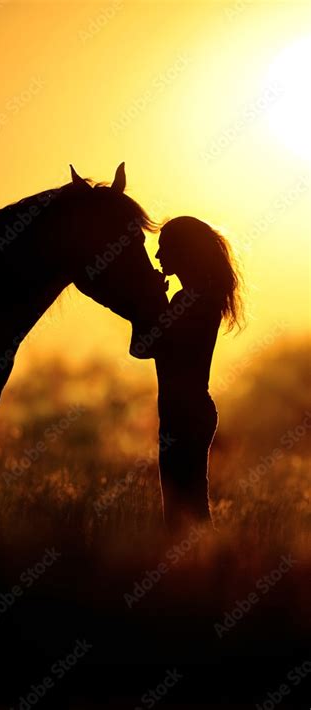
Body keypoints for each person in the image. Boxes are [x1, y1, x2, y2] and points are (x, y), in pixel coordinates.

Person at [140, 216, 243, 533]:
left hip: (185, 415)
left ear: (183, 251)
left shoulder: (189, 300)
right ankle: (202, 571)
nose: (158, 257)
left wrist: (152, 300)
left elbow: (146, 347)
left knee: (183, 513)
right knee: (187, 510)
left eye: (163, 248)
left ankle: (210, 571)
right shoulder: (198, 298)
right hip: (187, 412)